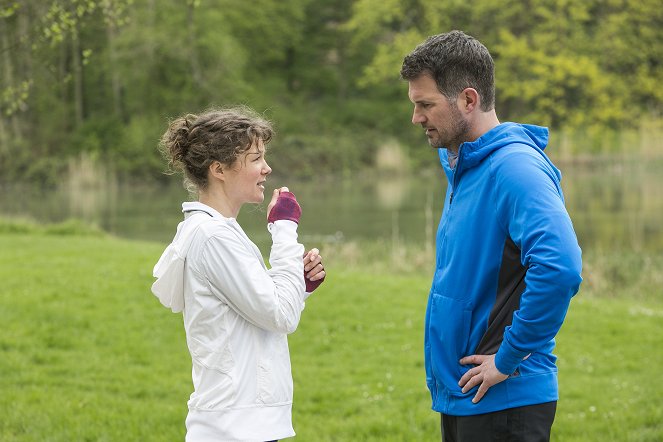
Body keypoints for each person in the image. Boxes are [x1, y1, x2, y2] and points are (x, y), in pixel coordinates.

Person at [400, 31, 582, 442]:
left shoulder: (514, 168)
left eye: (425, 104)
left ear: (468, 99)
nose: (416, 117)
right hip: (468, 393)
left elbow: (560, 267)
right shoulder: (466, 166)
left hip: (505, 396)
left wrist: (508, 357)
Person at [150, 106, 326, 442]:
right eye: (255, 158)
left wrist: (297, 285)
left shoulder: (218, 231)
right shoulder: (212, 236)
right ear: (219, 169)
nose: (267, 168)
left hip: (242, 424)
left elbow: (254, 308)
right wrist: (285, 227)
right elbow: (281, 316)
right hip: (233, 428)